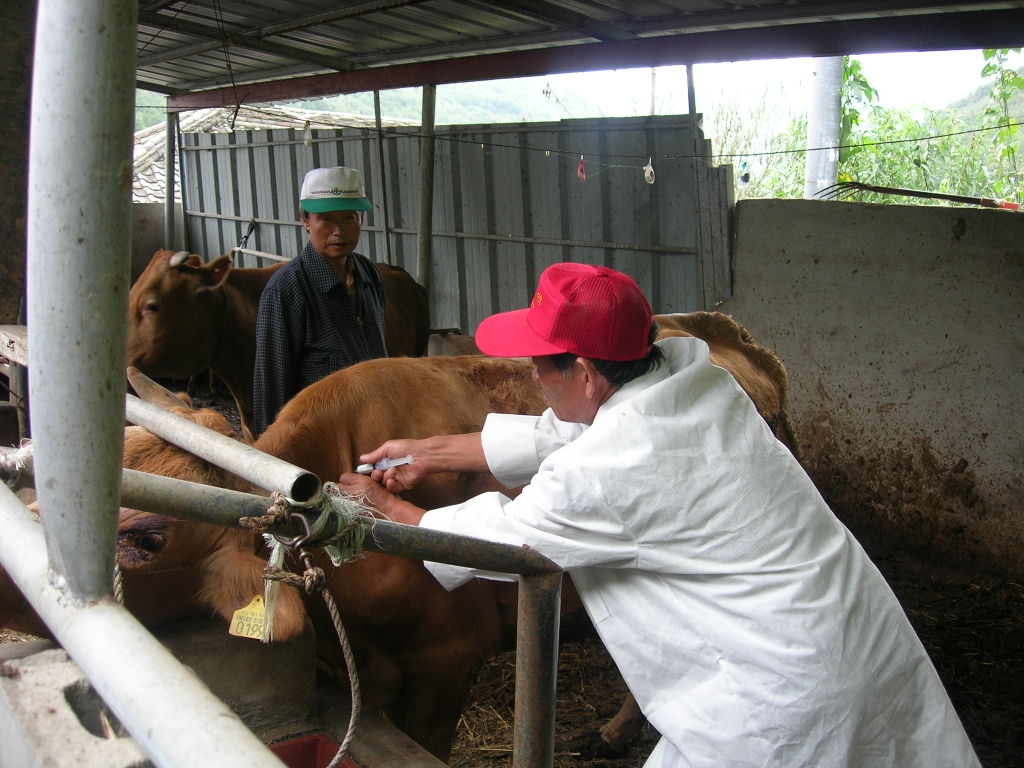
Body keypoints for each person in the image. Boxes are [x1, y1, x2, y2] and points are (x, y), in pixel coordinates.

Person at [337, 262, 980, 767]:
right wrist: (430, 450)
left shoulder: (607, 471)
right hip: (848, 635)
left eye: (540, 363)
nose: (531, 376)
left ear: (585, 372)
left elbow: (497, 544)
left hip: (775, 693)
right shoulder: (687, 380)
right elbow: (566, 436)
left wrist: (385, 507)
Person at [253, 166, 387, 436]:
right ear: (305, 220)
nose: (339, 231)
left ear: (360, 218)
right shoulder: (285, 290)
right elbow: (272, 386)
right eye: (325, 219)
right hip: (321, 436)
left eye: (349, 218)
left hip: (375, 427)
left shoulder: (368, 273)